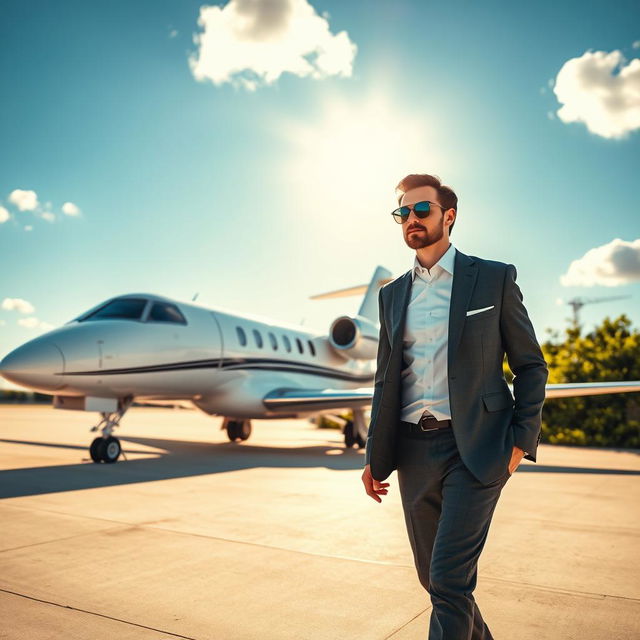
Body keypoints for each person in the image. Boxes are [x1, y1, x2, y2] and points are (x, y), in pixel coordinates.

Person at [361, 173, 548, 639]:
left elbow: (531, 366)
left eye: (421, 210)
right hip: (411, 449)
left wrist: (521, 443)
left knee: (447, 578)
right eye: (402, 212)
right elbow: (386, 380)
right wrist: (373, 455)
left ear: (449, 215)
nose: (411, 219)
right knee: (438, 581)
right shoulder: (391, 295)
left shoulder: (493, 278)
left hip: (478, 448)